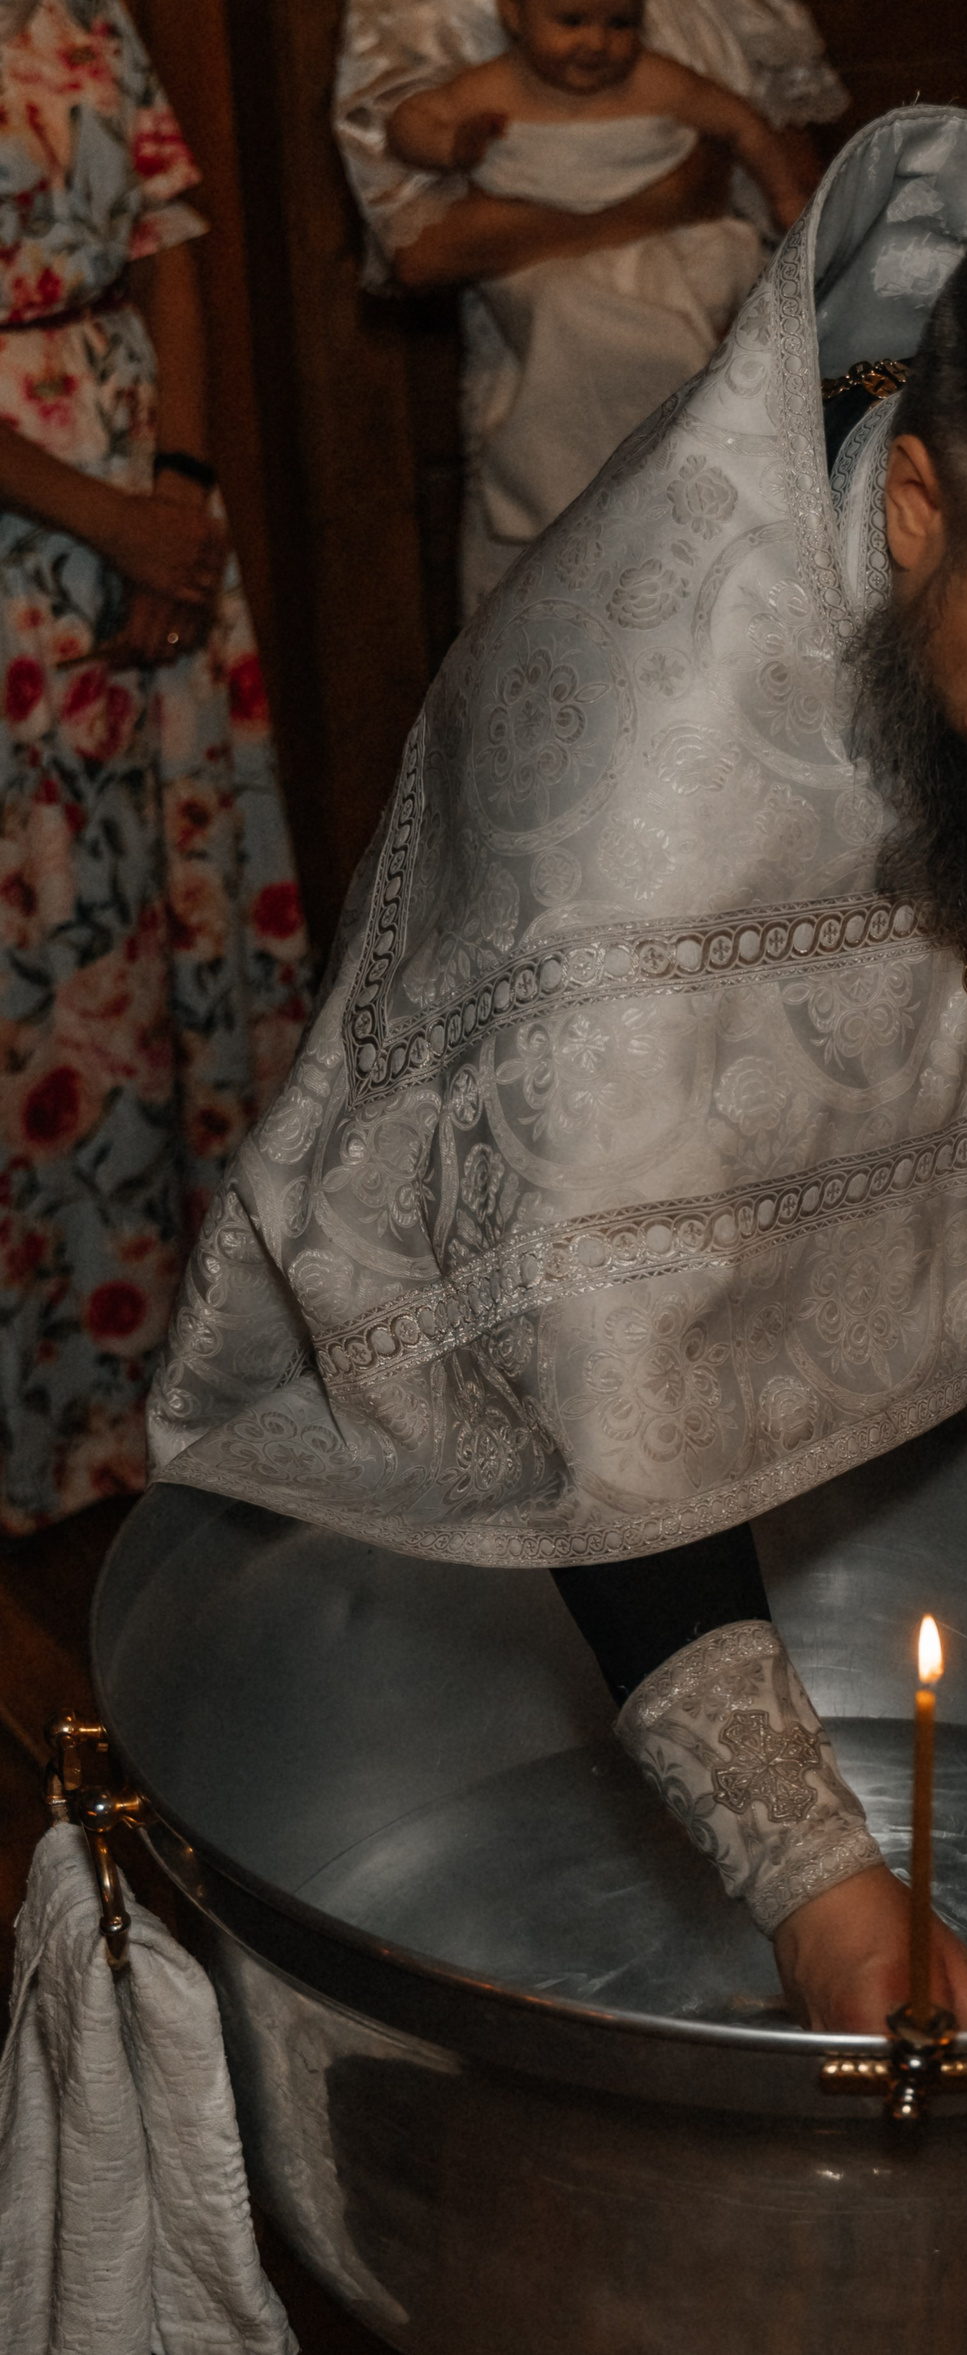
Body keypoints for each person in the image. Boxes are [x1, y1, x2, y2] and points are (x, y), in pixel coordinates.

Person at [148, 112, 967, 2038]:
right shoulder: (632, 795)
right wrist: (816, 1874)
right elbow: (591, 1366)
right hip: (510, 1527)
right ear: (925, 506)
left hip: (930, 1422)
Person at [0, 0, 308, 1535]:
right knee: (46, 967)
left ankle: (198, 1390)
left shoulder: (78, 13)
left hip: (146, 489)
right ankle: (52, 1419)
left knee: (169, 931)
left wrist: (178, 490)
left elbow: (172, 237)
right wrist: (100, 514)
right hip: (22, 527)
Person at [335, 0, 845, 610]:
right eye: (572, 22)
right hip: (541, 347)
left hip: (710, 317)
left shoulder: (673, 62)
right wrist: (659, 201)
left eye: (619, 24)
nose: (596, 43)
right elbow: (421, 247)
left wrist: (786, 214)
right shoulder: (448, 41)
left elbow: (765, 148)